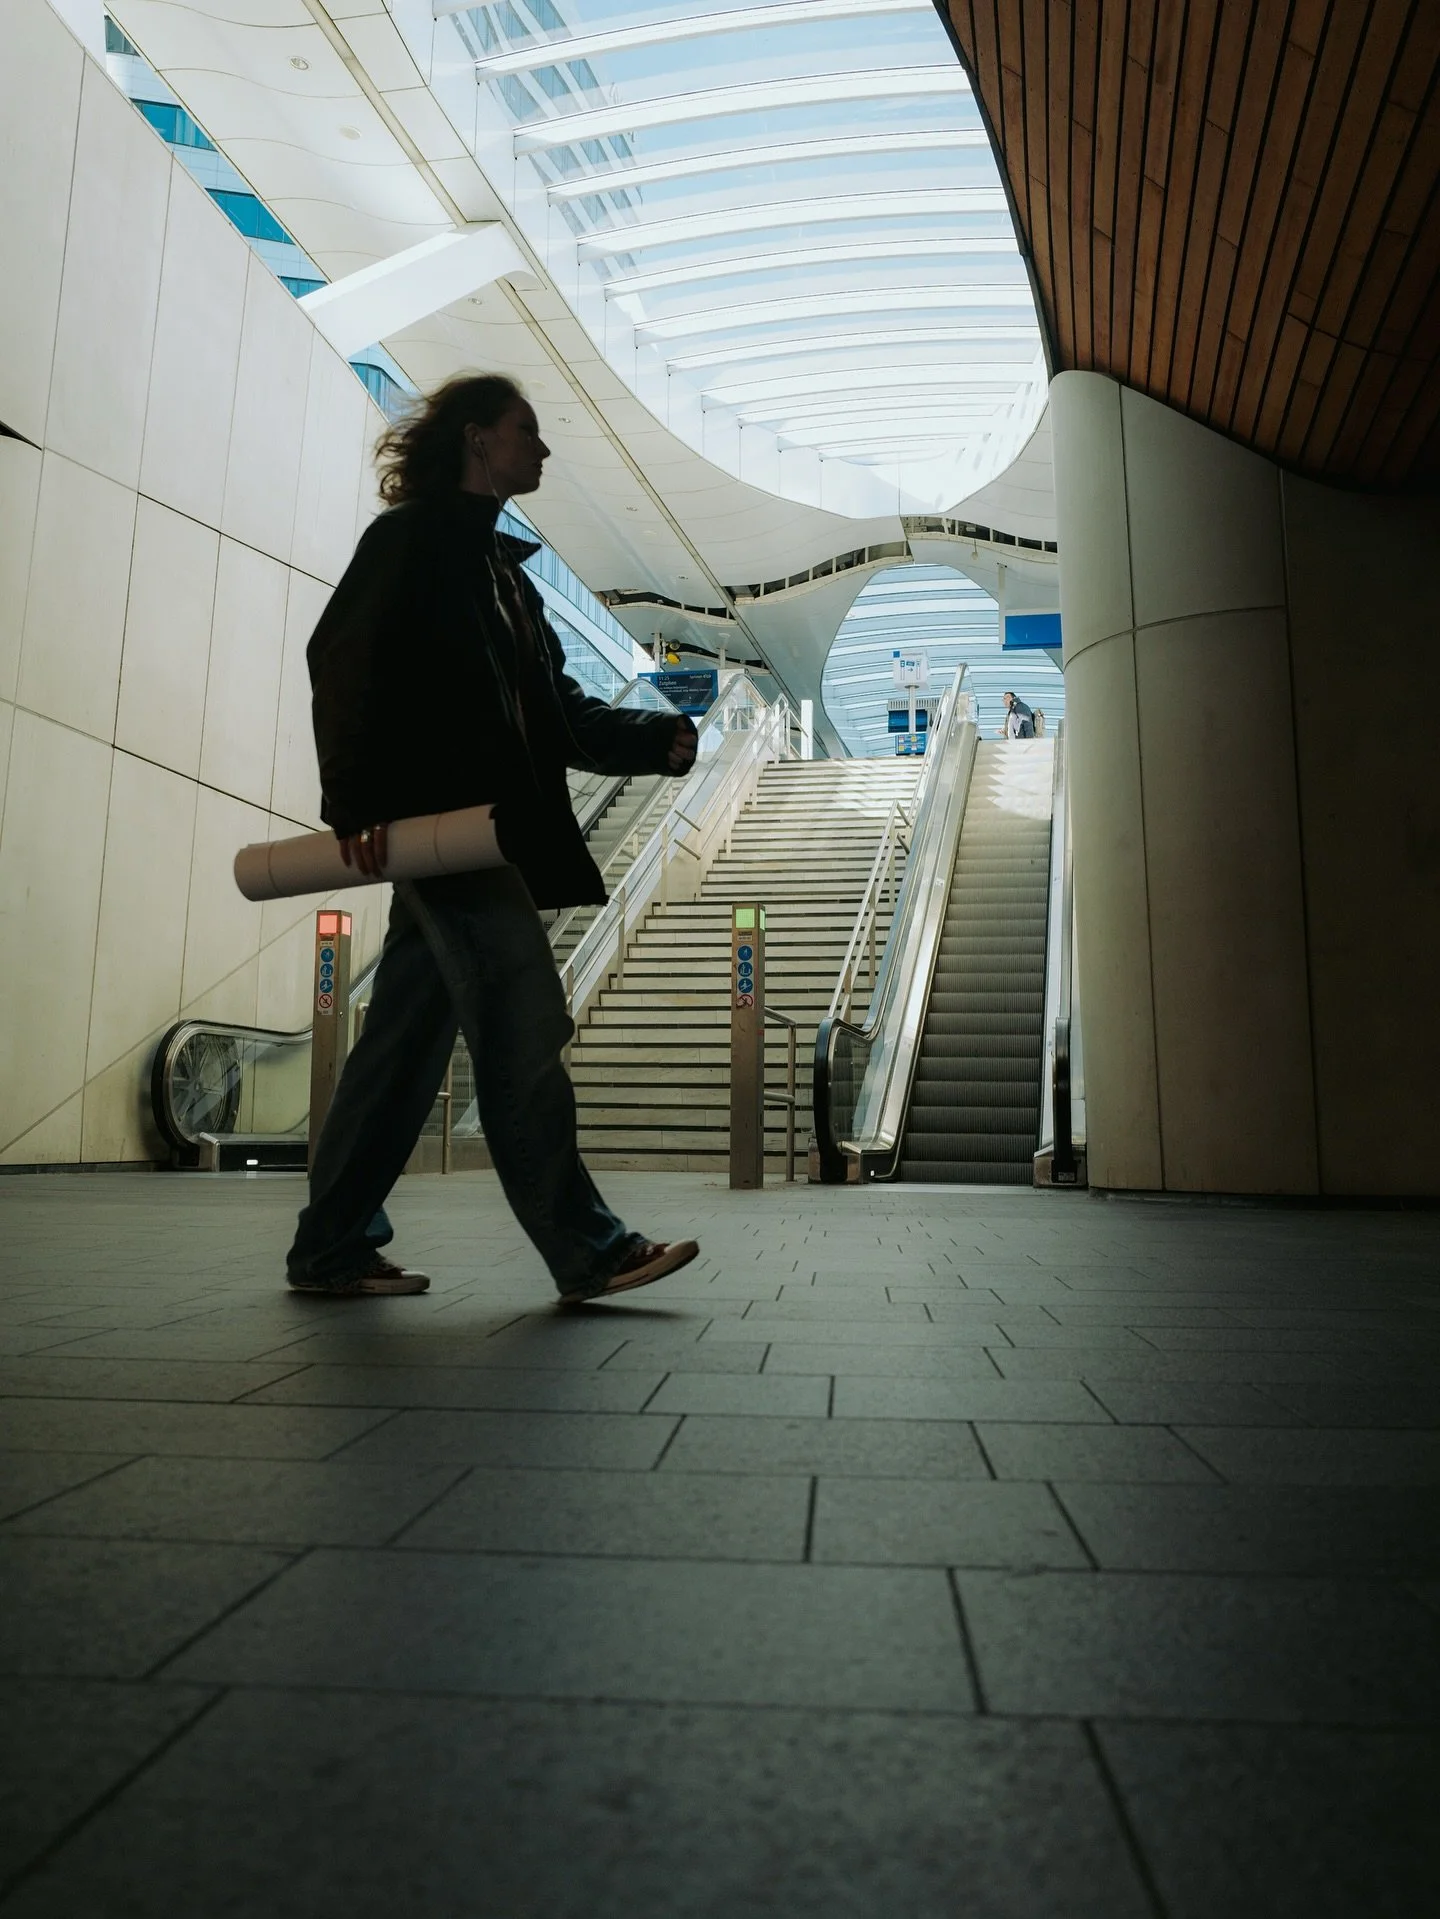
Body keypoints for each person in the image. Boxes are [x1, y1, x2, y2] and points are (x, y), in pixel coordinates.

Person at [285, 373, 700, 1304]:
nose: (542, 449)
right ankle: (589, 1247)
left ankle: (331, 1245)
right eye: (528, 431)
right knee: (520, 1031)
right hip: (444, 832)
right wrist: (352, 799)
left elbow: (556, 715)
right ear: (477, 440)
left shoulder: (507, 578)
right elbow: (340, 658)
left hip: (484, 836)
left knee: (399, 1047)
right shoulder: (410, 544)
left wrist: (650, 738)